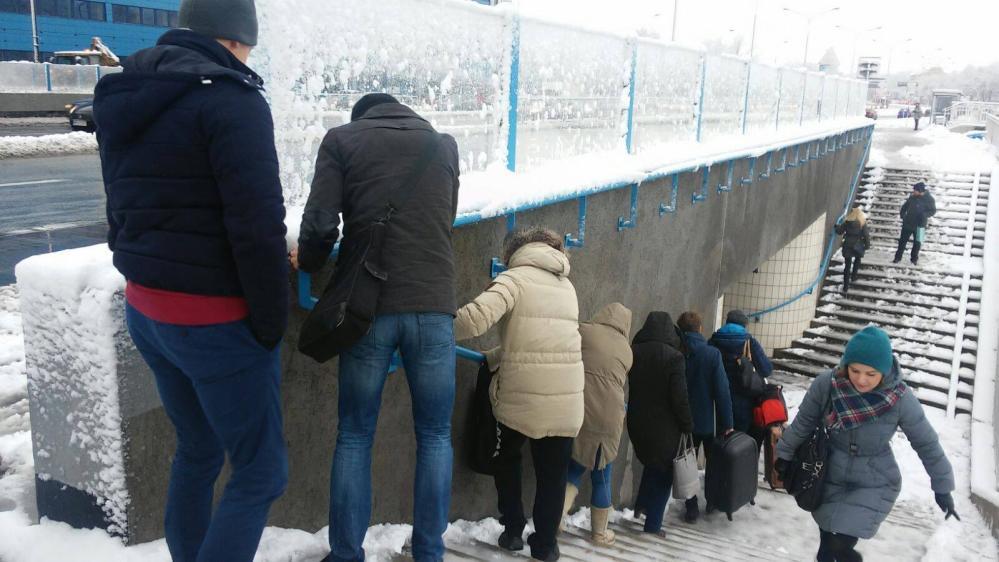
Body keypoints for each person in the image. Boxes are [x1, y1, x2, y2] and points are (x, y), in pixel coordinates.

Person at [92, 1, 289, 559]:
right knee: (261, 471)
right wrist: (268, 324)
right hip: (213, 320)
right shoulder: (233, 101)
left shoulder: (126, 91)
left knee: (198, 450)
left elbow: (118, 203)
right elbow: (257, 227)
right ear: (233, 38)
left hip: (146, 308)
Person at [292, 93, 461, 562]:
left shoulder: (342, 140)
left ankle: (346, 553)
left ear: (361, 117)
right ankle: (430, 551)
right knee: (435, 435)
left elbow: (322, 224)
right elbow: (441, 220)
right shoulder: (443, 145)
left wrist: (306, 261)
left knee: (354, 433)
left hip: (367, 309)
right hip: (433, 305)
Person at [454, 226, 584, 562]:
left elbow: (474, 319)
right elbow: (543, 341)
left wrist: (432, 324)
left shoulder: (514, 279)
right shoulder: (567, 286)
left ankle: (512, 530)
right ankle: (545, 545)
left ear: (516, 252)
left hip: (521, 397)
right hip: (567, 401)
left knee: (507, 459)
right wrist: (500, 352)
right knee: (552, 476)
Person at [776, 326, 957, 562]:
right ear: (845, 365)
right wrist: (783, 455)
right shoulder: (827, 385)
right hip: (827, 475)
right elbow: (804, 423)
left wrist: (942, 486)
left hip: (873, 481)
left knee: (839, 545)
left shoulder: (900, 397)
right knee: (826, 548)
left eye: (871, 374)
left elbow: (926, 443)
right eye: (855, 370)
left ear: (885, 371)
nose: (861, 380)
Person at [562, 303, 634, 546]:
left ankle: (555, 520)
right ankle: (600, 533)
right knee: (603, 471)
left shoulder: (584, 332)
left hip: (583, 409)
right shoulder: (627, 350)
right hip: (612, 416)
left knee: (574, 464)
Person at [626, 312, 693, 535]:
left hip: (637, 423)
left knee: (651, 464)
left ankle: (641, 506)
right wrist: (687, 424)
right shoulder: (675, 358)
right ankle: (653, 525)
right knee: (664, 472)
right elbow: (680, 397)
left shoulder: (634, 351)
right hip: (665, 428)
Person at [676, 311, 733, 523]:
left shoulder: (677, 352)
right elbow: (722, 391)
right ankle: (712, 500)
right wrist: (727, 423)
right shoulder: (712, 355)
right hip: (708, 422)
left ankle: (691, 507)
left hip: (683, 422)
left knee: (686, 464)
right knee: (713, 463)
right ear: (700, 329)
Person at [708, 309, 773, 447]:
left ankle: (718, 467)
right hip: (745, 401)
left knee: (720, 443)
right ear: (744, 325)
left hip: (718, 402)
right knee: (739, 445)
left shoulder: (714, 340)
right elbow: (766, 370)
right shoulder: (749, 342)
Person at [893, 181, 936, 266]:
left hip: (921, 225)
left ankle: (914, 259)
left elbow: (933, 211)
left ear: (920, 191)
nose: (913, 192)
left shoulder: (930, 199)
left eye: (915, 190)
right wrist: (903, 215)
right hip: (908, 223)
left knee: (917, 243)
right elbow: (904, 207)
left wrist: (924, 215)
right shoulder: (912, 197)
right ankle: (897, 258)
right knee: (902, 242)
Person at [835, 203, 871, 293]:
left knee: (847, 266)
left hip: (847, 244)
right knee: (857, 260)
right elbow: (866, 235)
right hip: (858, 245)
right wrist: (867, 245)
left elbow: (839, 231)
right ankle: (854, 276)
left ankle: (845, 287)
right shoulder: (862, 223)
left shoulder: (847, 222)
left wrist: (836, 226)